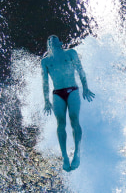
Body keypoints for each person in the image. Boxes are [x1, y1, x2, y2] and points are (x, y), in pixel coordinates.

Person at [41, 35, 95, 172]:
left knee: (74, 119)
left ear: (60, 42)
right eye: (48, 39)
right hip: (57, 93)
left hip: (73, 90)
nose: (51, 38)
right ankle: (65, 156)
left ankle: (77, 153)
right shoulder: (45, 61)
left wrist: (86, 87)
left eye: (54, 38)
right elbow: (45, 82)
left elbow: (80, 70)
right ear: (48, 45)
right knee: (60, 123)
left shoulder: (71, 53)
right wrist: (46, 100)